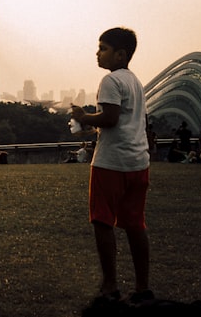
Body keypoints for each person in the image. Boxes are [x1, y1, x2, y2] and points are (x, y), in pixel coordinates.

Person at [71, 27, 153, 307]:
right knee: (135, 225)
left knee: (102, 221)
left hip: (111, 163)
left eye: (103, 48)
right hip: (138, 161)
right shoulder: (135, 82)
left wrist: (84, 117)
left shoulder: (110, 80)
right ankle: (142, 286)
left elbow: (110, 118)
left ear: (121, 54)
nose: (98, 53)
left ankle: (110, 285)